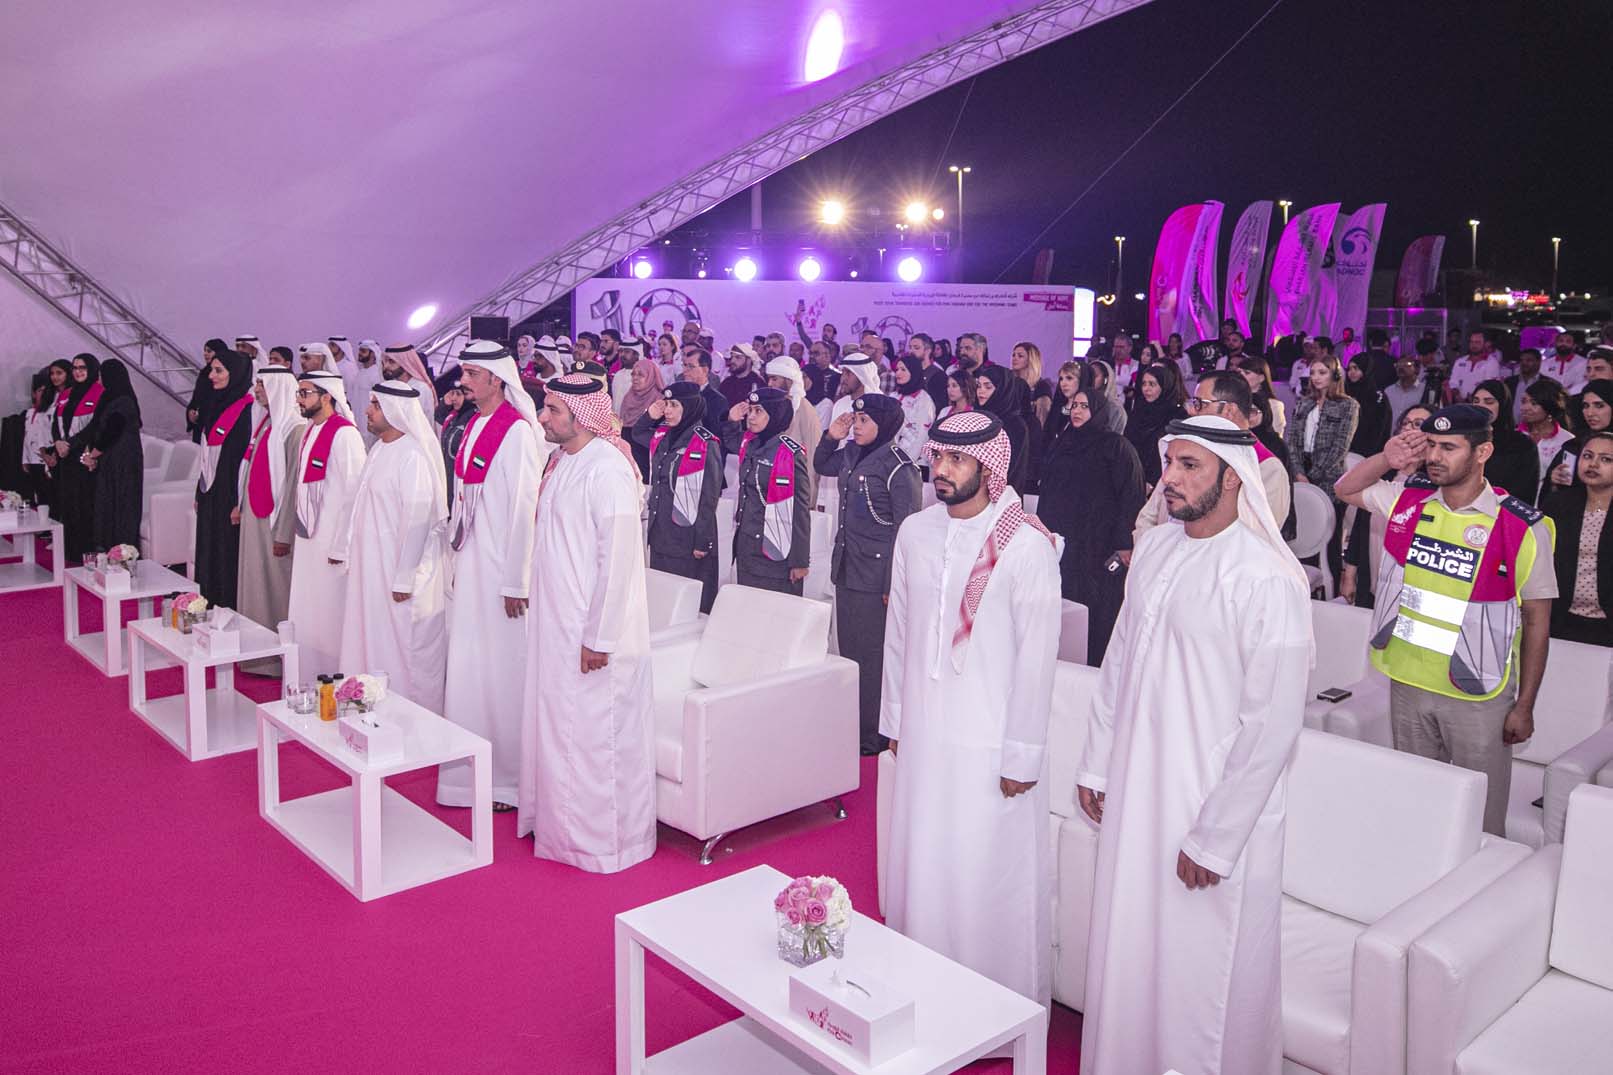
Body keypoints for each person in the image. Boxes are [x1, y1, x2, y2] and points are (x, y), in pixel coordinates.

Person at [1077, 415, 1311, 1075]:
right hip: (1136, 786)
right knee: (1129, 944)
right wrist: (1096, 762)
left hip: (1205, 807)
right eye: (1169, 464)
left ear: (1233, 479)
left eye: (1188, 466)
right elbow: (1118, 663)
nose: (1169, 480)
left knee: (1200, 974)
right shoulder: (1154, 549)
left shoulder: (1268, 578)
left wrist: (1215, 837)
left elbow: (1271, 726)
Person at [882, 409, 1061, 1012]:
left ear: (990, 467)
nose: (942, 470)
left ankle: (989, 1012)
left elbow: (1038, 661)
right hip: (924, 730)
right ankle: (920, 995)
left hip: (990, 742)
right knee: (923, 863)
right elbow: (899, 632)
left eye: (957, 460)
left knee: (985, 876)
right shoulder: (915, 532)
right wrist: (894, 720)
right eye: (937, 457)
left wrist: (1022, 756)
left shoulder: (1026, 547)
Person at [1334, 405, 1556, 835]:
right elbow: (1346, 489)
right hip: (1409, 679)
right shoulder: (1408, 499)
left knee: (1482, 820)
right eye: (1431, 445)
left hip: (1477, 692)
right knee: (1419, 805)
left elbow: (1537, 624)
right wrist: (1387, 458)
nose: (1435, 456)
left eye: (1449, 447)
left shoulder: (1521, 526)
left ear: (1482, 452)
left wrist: (1525, 705)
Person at [517, 374, 656, 872]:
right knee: (560, 728)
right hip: (557, 624)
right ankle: (559, 830)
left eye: (553, 410)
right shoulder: (561, 461)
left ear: (581, 417)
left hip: (593, 634)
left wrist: (599, 637)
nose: (543, 417)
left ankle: (602, 843)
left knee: (595, 737)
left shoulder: (607, 470)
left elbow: (617, 562)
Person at [439, 341, 543, 813]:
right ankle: (468, 775)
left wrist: (516, 580)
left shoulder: (516, 431)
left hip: (501, 573)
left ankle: (508, 780)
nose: (463, 381)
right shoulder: (475, 423)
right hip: (472, 564)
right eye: (463, 373)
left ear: (497, 379)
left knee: (501, 672)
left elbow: (523, 508)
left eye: (472, 374)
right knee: (469, 667)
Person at [814, 395, 922, 754]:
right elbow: (822, 463)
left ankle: (874, 733)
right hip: (848, 566)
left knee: (873, 656)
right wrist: (831, 436)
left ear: (884, 424)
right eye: (855, 420)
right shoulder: (850, 453)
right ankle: (854, 722)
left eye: (864, 421)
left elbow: (905, 533)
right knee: (850, 651)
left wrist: (893, 583)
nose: (856, 427)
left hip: (876, 575)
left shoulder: (898, 467)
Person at [334, 383, 448, 713]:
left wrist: (404, 577)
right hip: (373, 569)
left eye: (376, 405)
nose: (367, 411)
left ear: (396, 411)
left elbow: (418, 521)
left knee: (404, 651)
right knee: (372, 641)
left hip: (398, 576)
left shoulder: (412, 456)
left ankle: (411, 718)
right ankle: (371, 705)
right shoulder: (380, 449)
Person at [1131, 372, 1294, 554]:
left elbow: (1256, 539)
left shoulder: (1268, 469)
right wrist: (1152, 555)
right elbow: (1148, 517)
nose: (1192, 412)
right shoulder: (1186, 453)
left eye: (1200, 404)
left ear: (1229, 410)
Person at [1041, 387, 1145, 663]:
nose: (1076, 411)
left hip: (1099, 541)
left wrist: (1124, 543)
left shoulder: (1116, 446)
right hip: (1065, 537)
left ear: (1098, 411)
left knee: (1095, 606)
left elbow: (1131, 495)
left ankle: (1094, 666)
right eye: (1074, 405)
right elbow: (1048, 489)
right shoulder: (1063, 442)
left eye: (1084, 406)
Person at [286, 368, 365, 676]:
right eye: (299, 393)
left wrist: (342, 545)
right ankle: (304, 677)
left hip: (332, 544)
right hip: (309, 539)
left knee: (329, 614)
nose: (299, 400)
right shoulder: (310, 430)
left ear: (327, 396)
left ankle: (333, 679)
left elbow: (354, 494)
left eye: (305, 393)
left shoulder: (345, 435)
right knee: (307, 609)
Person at [635, 381, 723, 613]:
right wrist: (650, 415)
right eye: (666, 404)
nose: (667, 410)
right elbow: (638, 433)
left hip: (687, 537)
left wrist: (702, 541)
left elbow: (709, 498)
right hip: (660, 531)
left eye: (674, 405)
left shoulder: (705, 443)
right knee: (662, 599)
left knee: (685, 603)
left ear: (690, 407)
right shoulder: (663, 435)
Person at [234, 364, 302, 664]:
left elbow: (292, 487)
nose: (257, 389)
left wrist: (283, 533)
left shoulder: (295, 429)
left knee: (273, 590)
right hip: (255, 517)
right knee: (253, 585)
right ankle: (254, 653)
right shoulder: (267, 423)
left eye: (262, 384)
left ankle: (273, 661)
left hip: (274, 526)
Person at [725, 387, 810, 594]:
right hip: (747, 546)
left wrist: (799, 560)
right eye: (750, 410)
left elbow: (800, 510)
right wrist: (732, 421)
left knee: (773, 608)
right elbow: (731, 441)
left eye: (758, 411)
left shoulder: (789, 453)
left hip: (776, 549)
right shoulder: (751, 444)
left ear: (775, 415)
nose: (751, 417)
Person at [191, 348, 254, 605]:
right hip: (209, 490)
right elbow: (206, 453)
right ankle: (206, 600)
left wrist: (237, 502)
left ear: (235, 374)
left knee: (224, 551)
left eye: (219, 371)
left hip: (229, 496)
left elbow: (239, 461)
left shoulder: (246, 410)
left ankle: (225, 605)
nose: (212, 376)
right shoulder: (214, 403)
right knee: (207, 547)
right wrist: (199, 491)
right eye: (211, 370)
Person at [1542, 432, 1613, 647]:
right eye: (1587, 456)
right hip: (1561, 620)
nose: (1593, 464)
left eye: (1606, 459)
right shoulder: (1557, 505)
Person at [79, 358, 143, 553]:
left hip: (123, 458)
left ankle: (123, 549)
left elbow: (112, 431)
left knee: (122, 501)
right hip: (111, 457)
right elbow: (97, 427)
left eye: (101, 376)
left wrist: (93, 455)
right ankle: (108, 545)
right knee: (108, 499)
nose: (99, 380)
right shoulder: (109, 397)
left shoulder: (123, 401)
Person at [52, 353, 102, 561]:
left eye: (82, 368)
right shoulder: (66, 393)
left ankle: (86, 550)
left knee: (84, 503)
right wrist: (57, 442)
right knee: (68, 502)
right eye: (75, 368)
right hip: (65, 456)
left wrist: (70, 445)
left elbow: (95, 426)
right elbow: (55, 422)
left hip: (85, 456)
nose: (78, 371)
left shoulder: (100, 392)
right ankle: (70, 549)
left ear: (92, 369)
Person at [1470, 379, 1541, 502]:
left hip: (1503, 511)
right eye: (1476, 401)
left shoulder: (1522, 445)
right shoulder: (1463, 439)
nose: (1480, 406)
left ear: (1503, 405)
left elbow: (1525, 492)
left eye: (1489, 402)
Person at [764, 355, 821, 502]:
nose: (769, 384)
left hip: (795, 486)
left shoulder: (804, 409)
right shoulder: (772, 406)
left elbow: (812, 455)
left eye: (774, 379)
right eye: (769, 379)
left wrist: (809, 498)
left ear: (789, 380)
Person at [1124, 362, 1187, 490]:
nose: (1146, 389)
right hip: (1132, 477)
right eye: (1144, 384)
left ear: (1164, 386)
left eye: (1152, 384)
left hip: (1163, 481)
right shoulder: (1139, 410)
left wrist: (1152, 483)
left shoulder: (1177, 415)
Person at [1545, 379, 1612, 493]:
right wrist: (1554, 481)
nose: (1590, 413)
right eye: (1586, 406)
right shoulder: (1573, 445)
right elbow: (1550, 493)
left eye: (1599, 405)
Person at [974, 364, 1029, 490]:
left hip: (1002, 493)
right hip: (974, 491)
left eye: (988, 387)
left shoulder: (1015, 425)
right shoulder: (977, 418)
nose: (981, 391)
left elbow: (1012, 468)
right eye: (979, 386)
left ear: (1002, 390)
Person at [1519, 378, 1574, 503]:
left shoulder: (1567, 441)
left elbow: (1566, 483)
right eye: (1524, 401)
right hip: (1513, 503)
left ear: (1549, 407)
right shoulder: (1514, 435)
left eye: (1534, 403)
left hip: (1548, 503)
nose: (1525, 408)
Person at [616, 358, 665, 481]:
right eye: (633, 374)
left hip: (646, 458)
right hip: (627, 456)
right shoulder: (628, 397)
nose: (635, 378)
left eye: (641, 375)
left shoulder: (659, 401)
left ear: (651, 377)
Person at [435, 368, 475, 506]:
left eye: (458, 394)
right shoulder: (454, 416)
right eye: (452, 393)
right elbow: (439, 417)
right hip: (448, 478)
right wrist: (445, 403)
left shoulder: (472, 418)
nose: (454, 398)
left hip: (461, 484)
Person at [1346, 352, 1393, 457]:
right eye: (1349, 369)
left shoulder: (1377, 397)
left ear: (1366, 369)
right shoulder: (1346, 393)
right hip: (1346, 451)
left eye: (1356, 368)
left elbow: (1380, 429)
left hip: (1369, 453)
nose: (1351, 372)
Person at [380, 344, 439, 428]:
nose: (386, 366)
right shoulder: (393, 386)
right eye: (385, 362)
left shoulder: (421, 388)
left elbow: (417, 423)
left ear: (405, 363)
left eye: (391, 361)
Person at [890, 356, 936, 462]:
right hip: (891, 457)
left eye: (903, 369)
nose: (898, 373)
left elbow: (921, 437)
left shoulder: (924, 400)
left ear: (913, 372)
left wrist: (906, 462)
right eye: (897, 369)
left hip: (913, 462)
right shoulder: (894, 396)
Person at [678, 348, 729, 433]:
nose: (684, 371)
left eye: (691, 366)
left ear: (705, 370)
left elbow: (714, 433)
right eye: (684, 365)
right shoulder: (678, 395)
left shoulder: (717, 400)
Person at [1235, 355, 1285, 436]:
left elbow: (1276, 436)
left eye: (1247, 373)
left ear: (1261, 378)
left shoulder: (1274, 405)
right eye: (1239, 372)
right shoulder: (1231, 401)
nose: (1241, 376)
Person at [1448, 331, 1501, 402]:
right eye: (1471, 342)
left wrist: (1473, 398)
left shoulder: (1491, 362)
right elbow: (1453, 382)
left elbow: (1489, 387)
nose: (1474, 345)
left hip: (1480, 404)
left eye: (1477, 342)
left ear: (1485, 344)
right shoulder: (1460, 361)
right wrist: (1456, 394)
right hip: (1459, 404)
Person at [1384, 352, 1430, 430]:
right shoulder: (1388, 391)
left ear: (1417, 369)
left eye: (1407, 364)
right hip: (1392, 435)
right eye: (1398, 365)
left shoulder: (1425, 390)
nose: (1401, 368)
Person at [831, 353, 881, 424]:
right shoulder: (840, 404)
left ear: (863, 375)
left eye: (849, 373)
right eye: (843, 373)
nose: (843, 378)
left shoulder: (879, 405)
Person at [908, 332, 950, 411]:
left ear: (928, 350)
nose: (911, 351)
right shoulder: (908, 373)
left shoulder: (938, 375)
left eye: (916, 348)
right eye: (910, 347)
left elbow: (940, 405)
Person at [1506, 348, 1545, 424]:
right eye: (1521, 360)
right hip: (1511, 427)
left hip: (1536, 427)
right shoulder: (1509, 382)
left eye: (1528, 360)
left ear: (1539, 362)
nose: (1524, 363)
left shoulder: (1545, 383)